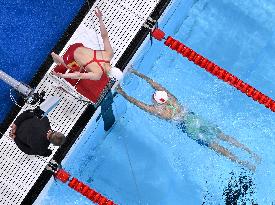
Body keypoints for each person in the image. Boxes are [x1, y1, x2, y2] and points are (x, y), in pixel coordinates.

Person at [116, 69, 260, 171]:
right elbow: (155, 84)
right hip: (193, 118)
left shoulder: (158, 111)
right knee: (224, 136)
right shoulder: (172, 99)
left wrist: (122, 92)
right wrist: (136, 72)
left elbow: (136, 102)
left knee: (216, 147)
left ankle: (243, 163)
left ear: (155, 101)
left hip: (188, 127)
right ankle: (251, 152)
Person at [51, 8, 113, 81]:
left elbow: (105, 36)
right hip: (71, 55)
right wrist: (62, 75)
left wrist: (100, 18)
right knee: (71, 67)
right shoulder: (97, 75)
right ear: (108, 76)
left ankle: (57, 58)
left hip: (77, 45)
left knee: (80, 66)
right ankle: (54, 55)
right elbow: (78, 75)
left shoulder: (109, 54)